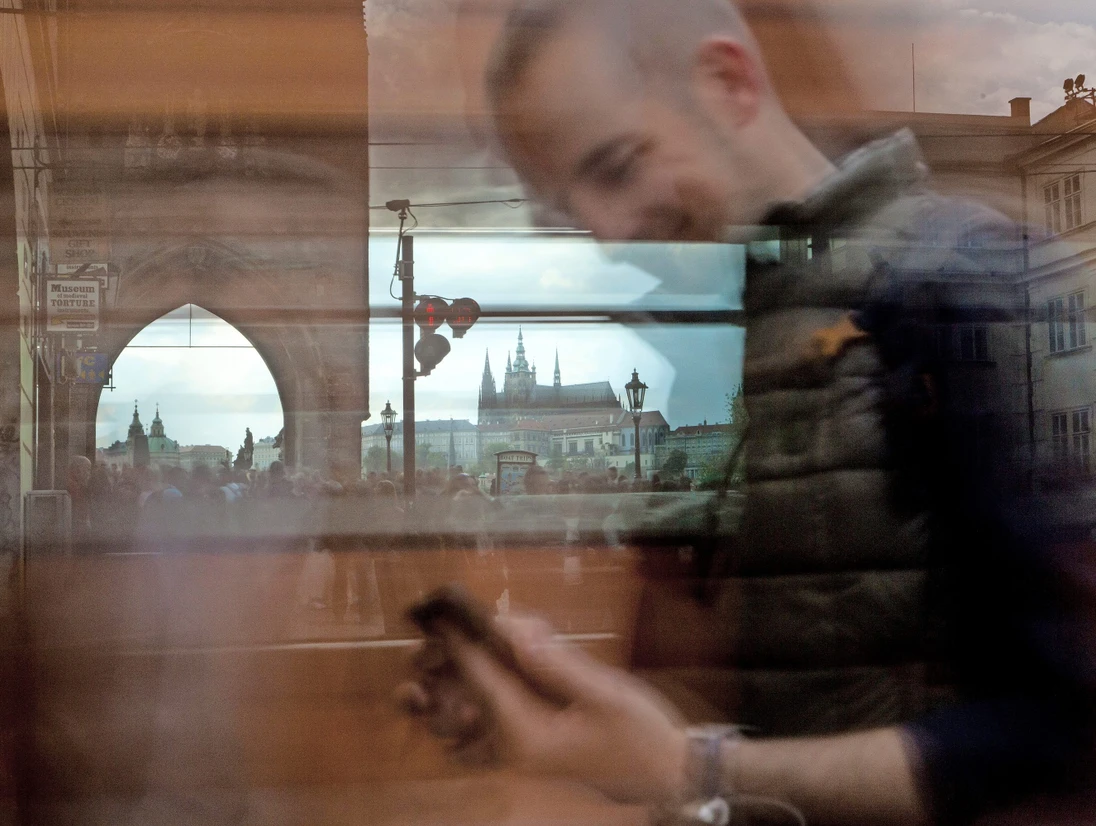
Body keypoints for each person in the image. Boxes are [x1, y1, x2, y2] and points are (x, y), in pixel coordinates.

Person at [398, 1, 1096, 824]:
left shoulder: (974, 283)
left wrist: (691, 772)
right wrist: (544, 713)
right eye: (564, 209)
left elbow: (1072, 741)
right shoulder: (701, 350)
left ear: (729, 83)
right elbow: (697, 680)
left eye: (619, 166)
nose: (608, 233)